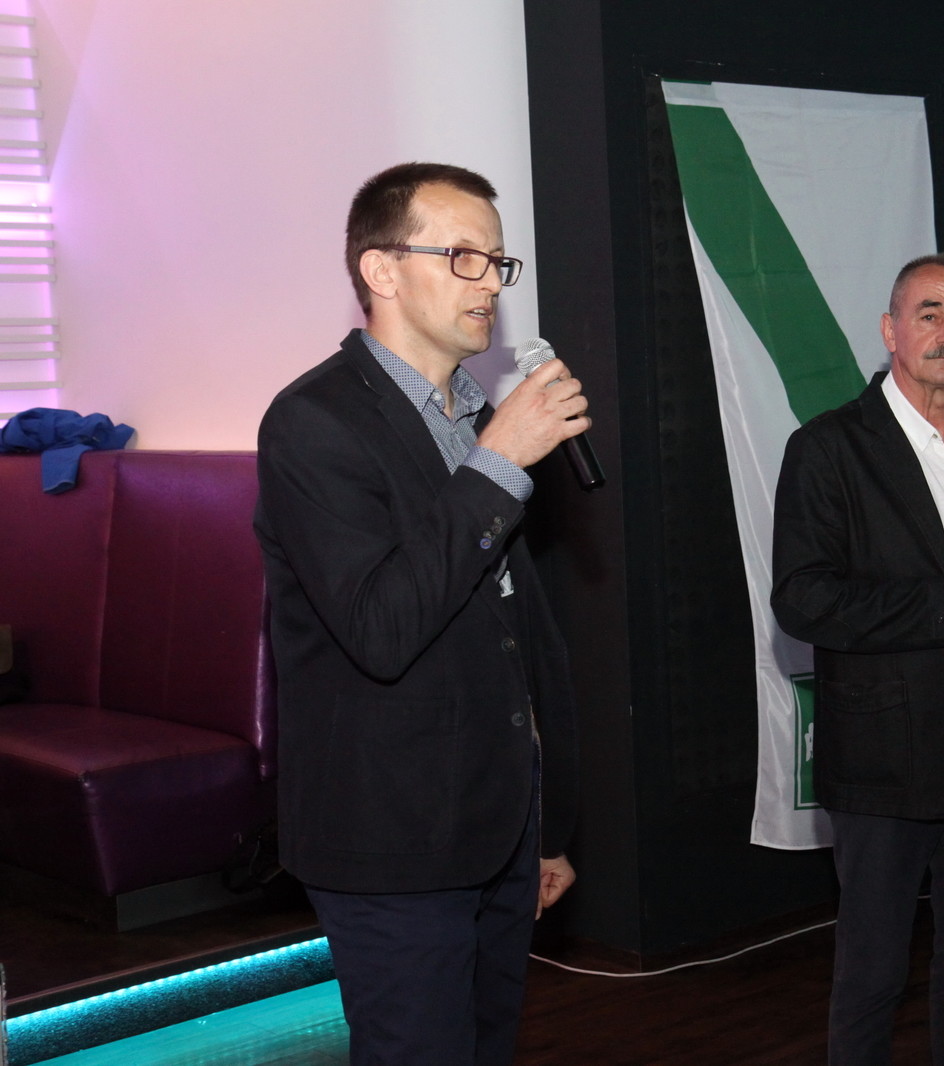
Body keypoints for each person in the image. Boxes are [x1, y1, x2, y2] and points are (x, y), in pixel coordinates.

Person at [254, 162, 588, 1066]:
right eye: (463, 257)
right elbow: (382, 627)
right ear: (382, 270)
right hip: (394, 833)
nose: (490, 283)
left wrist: (549, 823)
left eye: (498, 262)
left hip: (500, 824)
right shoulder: (313, 423)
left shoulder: (477, 415)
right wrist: (498, 464)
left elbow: (523, 636)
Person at [770, 252, 944, 1065]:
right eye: (929, 314)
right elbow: (802, 600)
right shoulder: (829, 448)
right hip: (886, 763)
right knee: (872, 979)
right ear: (890, 330)